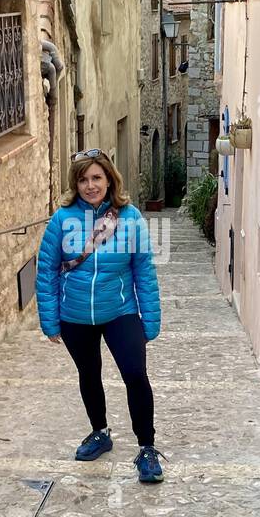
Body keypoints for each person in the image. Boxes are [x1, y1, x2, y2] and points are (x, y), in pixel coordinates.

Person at [35, 148, 164, 482]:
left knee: (136, 375)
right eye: (83, 179)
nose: (90, 185)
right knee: (89, 374)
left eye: (96, 178)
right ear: (75, 184)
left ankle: (147, 449)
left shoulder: (130, 217)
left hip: (120, 311)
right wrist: (49, 319)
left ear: (109, 179)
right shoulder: (62, 220)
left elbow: (144, 270)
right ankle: (100, 433)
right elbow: (46, 270)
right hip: (75, 316)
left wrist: (149, 319)